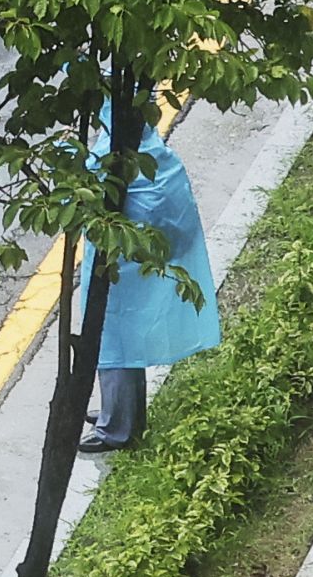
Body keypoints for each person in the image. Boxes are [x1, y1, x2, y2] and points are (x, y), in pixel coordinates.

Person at [87, 130, 220, 452]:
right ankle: (120, 410)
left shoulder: (114, 154)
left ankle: (117, 426)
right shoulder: (149, 152)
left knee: (113, 328)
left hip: (129, 232)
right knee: (121, 328)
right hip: (152, 215)